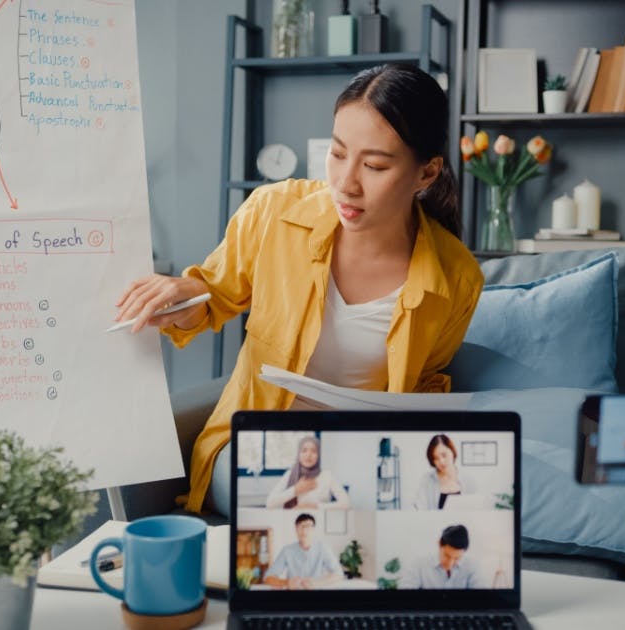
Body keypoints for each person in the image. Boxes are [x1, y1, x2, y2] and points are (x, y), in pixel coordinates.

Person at [113, 63, 484, 514]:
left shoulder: (456, 277)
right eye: (337, 153)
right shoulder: (273, 211)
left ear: (426, 174)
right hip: (251, 445)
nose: (346, 184)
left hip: (359, 455)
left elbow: (425, 383)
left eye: (374, 165)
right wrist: (179, 299)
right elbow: (213, 294)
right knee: (305, 499)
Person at [265, 435, 350, 509]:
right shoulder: (290, 474)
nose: (308, 455)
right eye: (304, 450)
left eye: (313, 451)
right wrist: (296, 490)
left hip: (320, 522)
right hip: (292, 522)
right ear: (299, 454)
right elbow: (270, 504)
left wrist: (316, 507)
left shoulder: (327, 475)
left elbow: (346, 503)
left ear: (319, 455)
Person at [262, 513, 342, 590]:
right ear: (296, 529)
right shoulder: (287, 550)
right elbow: (267, 578)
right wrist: (286, 582)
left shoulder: (323, 548)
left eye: (307, 526)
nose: (304, 530)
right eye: (300, 526)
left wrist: (317, 583)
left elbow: (339, 574)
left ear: (313, 529)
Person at [399, 524, 489, 589]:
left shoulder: (472, 565)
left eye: (457, 558)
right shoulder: (419, 563)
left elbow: (481, 597)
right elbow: (405, 594)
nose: (450, 564)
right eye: (447, 556)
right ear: (439, 543)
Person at [412, 434, 476, 510]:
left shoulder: (468, 479)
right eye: (436, 458)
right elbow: (419, 508)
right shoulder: (427, 480)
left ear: (452, 451)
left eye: (444, 455)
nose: (441, 461)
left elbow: (476, 509)